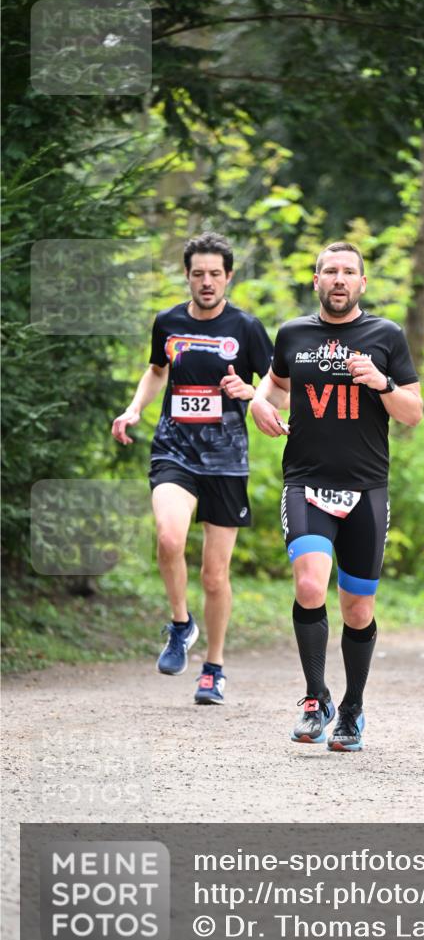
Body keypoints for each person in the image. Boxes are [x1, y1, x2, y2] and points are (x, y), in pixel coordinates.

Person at [250, 241, 422, 751]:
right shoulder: (294, 334)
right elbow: (277, 387)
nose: (340, 279)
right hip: (305, 481)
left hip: (367, 488)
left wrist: (383, 383)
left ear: (363, 283)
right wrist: (260, 404)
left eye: (349, 272)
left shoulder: (385, 336)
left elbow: (412, 412)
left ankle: (351, 709)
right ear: (317, 280)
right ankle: (315, 698)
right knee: (309, 584)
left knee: (356, 610)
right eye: (331, 271)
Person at [111, 232, 274, 704]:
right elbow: (157, 371)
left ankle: (215, 668)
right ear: (187, 275)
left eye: (215, 274)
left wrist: (254, 397)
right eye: (198, 273)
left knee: (215, 575)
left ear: (228, 277)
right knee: (168, 537)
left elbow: (273, 384)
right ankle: (182, 624)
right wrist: (134, 409)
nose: (206, 282)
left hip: (226, 458)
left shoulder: (246, 327)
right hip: (174, 449)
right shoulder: (168, 321)